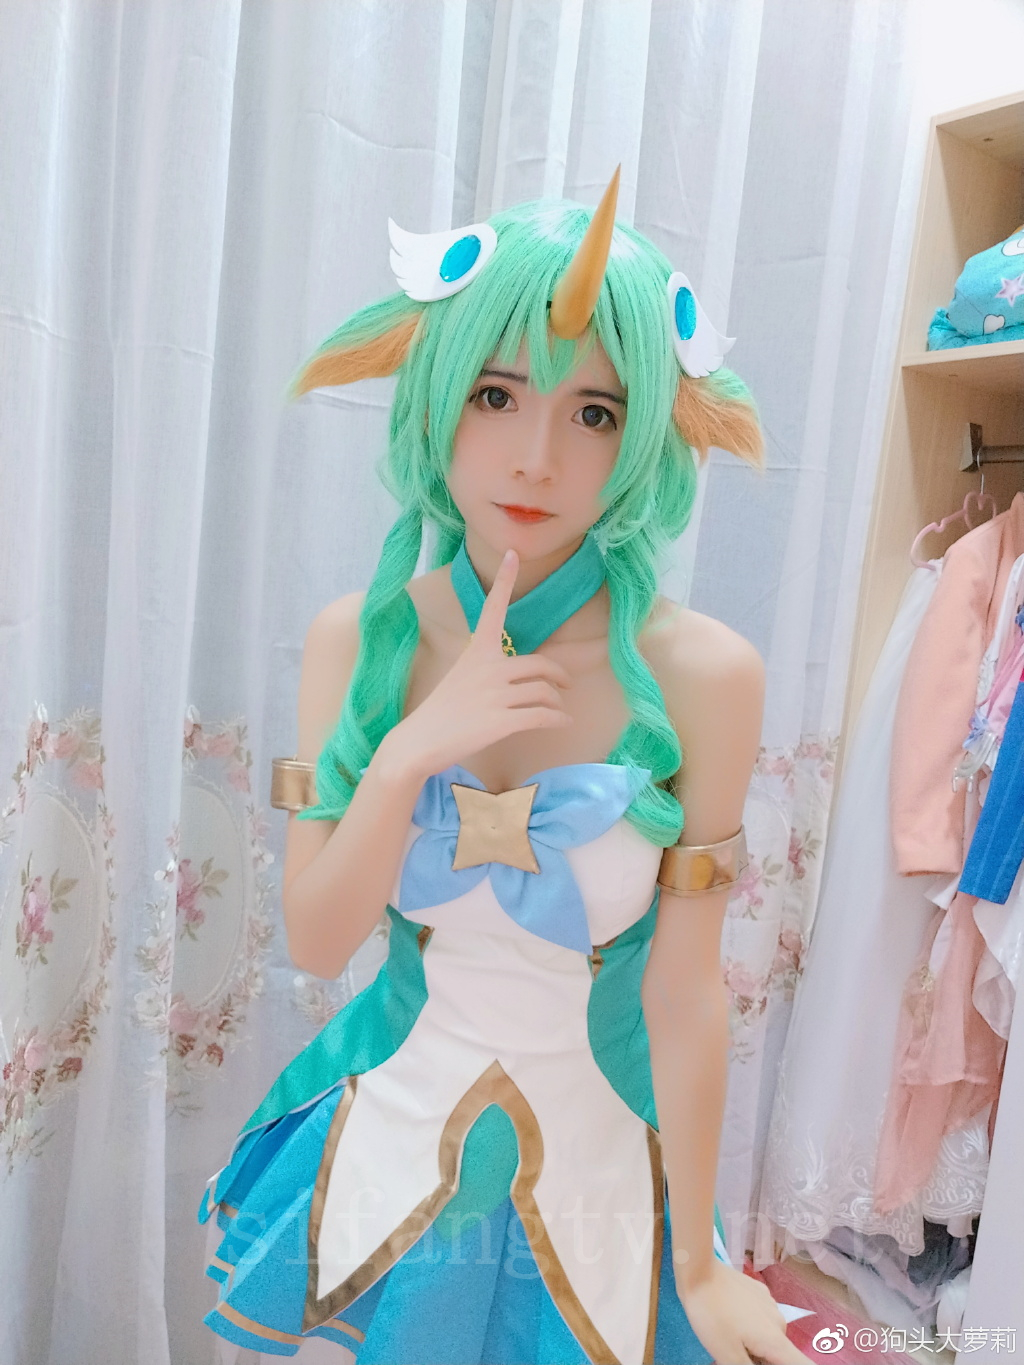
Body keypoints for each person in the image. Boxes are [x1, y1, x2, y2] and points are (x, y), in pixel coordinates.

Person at [198, 171, 812, 1365]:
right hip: (377, 1154)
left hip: (602, 1181)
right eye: (496, 394)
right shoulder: (355, 640)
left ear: (646, 433)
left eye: (594, 413)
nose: (535, 458)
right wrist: (408, 756)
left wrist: (700, 1264)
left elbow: (686, 994)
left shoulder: (705, 675)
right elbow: (317, 943)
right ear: (437, 395)